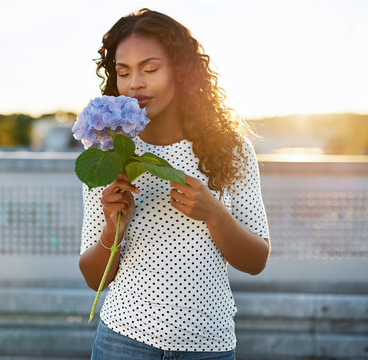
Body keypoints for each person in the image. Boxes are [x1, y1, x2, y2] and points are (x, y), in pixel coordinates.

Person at [78, 8, 270, 360]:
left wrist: (214, 214)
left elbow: (257, 259)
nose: (135, 83)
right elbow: (95, 279)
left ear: (181, 72)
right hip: (123, 341)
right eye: (123, 72)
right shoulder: (110, 152)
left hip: (208, 345)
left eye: (150, 69)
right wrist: (112, 228)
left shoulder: (231, 149)